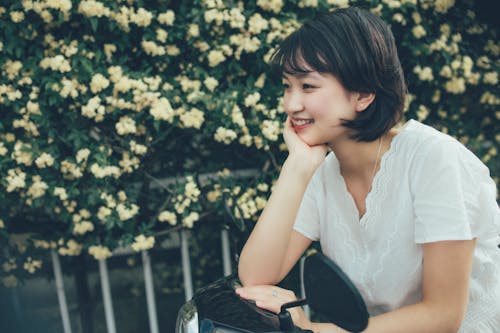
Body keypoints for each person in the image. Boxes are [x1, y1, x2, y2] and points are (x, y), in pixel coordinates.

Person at [235, 7, 500, 333]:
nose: (291, 104)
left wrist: (315, 330)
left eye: (307, 86)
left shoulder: (434, 159)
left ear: (362, 94)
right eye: (287, 86)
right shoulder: (321, 174)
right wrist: (297, 166)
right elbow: (255, 277)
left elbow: (443, 315)